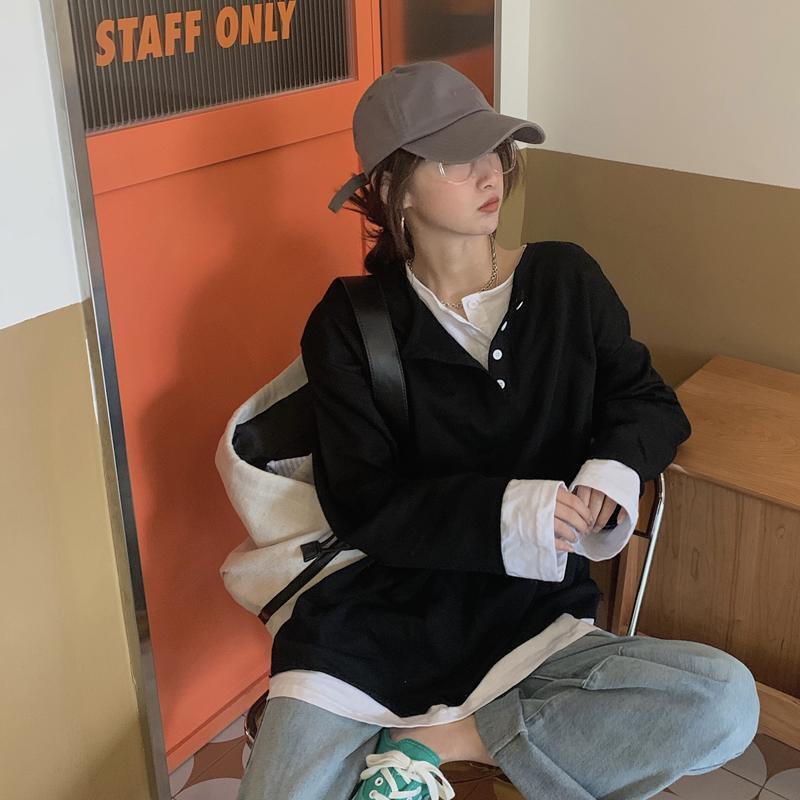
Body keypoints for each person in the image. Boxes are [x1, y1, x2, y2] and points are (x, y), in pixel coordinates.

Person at [237, 61, 760, 800]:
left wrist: (609, 473)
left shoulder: (566, 281)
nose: (491, 173)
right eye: (457, 159)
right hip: (370, 626)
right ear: (393, 188)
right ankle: (474, 749)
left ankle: (443, 743)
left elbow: (646, 402)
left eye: (496, 150)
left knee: (725, 703)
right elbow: (364, 503)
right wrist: (519, 510)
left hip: (532, 623)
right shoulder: (351, 322)